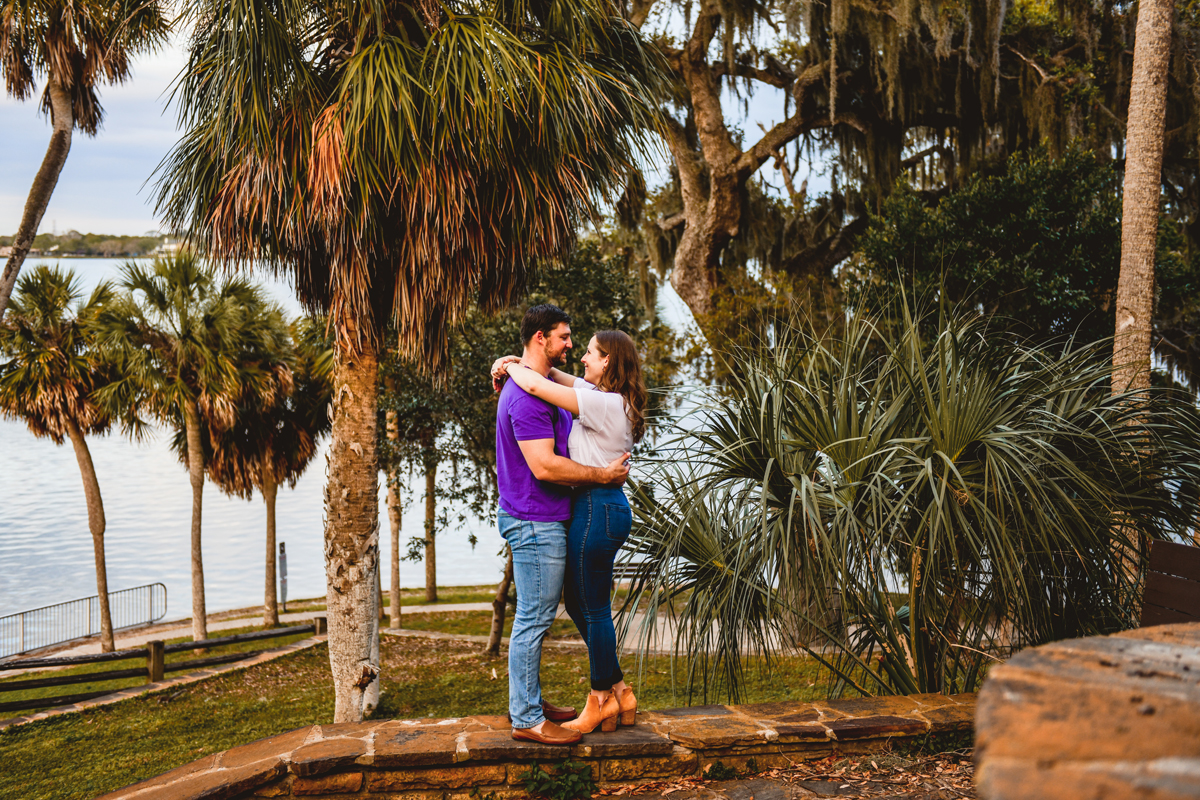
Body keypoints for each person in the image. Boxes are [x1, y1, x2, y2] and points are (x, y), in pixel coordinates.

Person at [493, 329, 646, 735]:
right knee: (581, 604)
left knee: (591, 606)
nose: (581, 358)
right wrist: (514, 363)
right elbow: (552, 378)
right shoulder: (607, 399)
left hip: (597, 507)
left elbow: (536, 383)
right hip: (598, 507)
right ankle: (619, 690)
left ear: (608, 360)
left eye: (591, 353)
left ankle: (600, 700)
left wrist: (510, 366)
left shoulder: (602, 403)